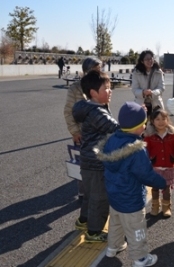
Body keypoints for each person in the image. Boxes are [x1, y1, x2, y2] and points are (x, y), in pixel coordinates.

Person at [95, 101, 167, 267]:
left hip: (114, 196)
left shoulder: (111, 140)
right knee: (137, 230)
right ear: (138, 127)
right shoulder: (136, 149)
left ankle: (113, 247)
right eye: (144, 123)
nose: (145, 126)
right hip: (131, 199)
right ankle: (140, 258)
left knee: (116, 223)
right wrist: (162, 182)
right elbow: (146, 174)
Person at [72, 70, 119, 242]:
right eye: (106, 88)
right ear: (93, 93)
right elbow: (115, 128)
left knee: (90, 195)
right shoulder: (97, 113)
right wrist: (135, 123)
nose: (110, 91)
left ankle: (83, 220)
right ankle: (93, 232)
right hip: (98, 163)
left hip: (87, 161)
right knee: (100, 198)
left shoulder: (89, 108)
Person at [63, 56, 102, 202]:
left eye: (99, 69)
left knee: (99, 160)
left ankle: (97, 189)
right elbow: (68, 111)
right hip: (82, 132)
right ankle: (83, 191)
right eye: (95, 69)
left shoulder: (101, 85)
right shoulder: (75, 88)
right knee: (82, 162)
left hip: (99, 131)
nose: (98, 72)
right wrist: (74, 131)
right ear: (86, 71)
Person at [143, 109, 174, 217]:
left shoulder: (172, 134)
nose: (161, 121)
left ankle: (166, 207)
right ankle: (155, 206)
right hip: (155, 167)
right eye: (157, 119)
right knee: (155, 188)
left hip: (168, 167)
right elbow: (145, 149)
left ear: (168, 120)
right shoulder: (149, 136)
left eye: (163, 119)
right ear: (152, 121)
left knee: (167, 188)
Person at [131, 50, 165, 118]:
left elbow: (161, 87)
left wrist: (152, 92)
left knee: (157, 126)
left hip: (156, 104)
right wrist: (143, 92)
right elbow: (134, 89)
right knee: (142, 126)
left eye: (151, 58)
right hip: (141, 104)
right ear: (142, 61)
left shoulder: (158, 71)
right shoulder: (136, 73)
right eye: (147, 59)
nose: (149, 61)